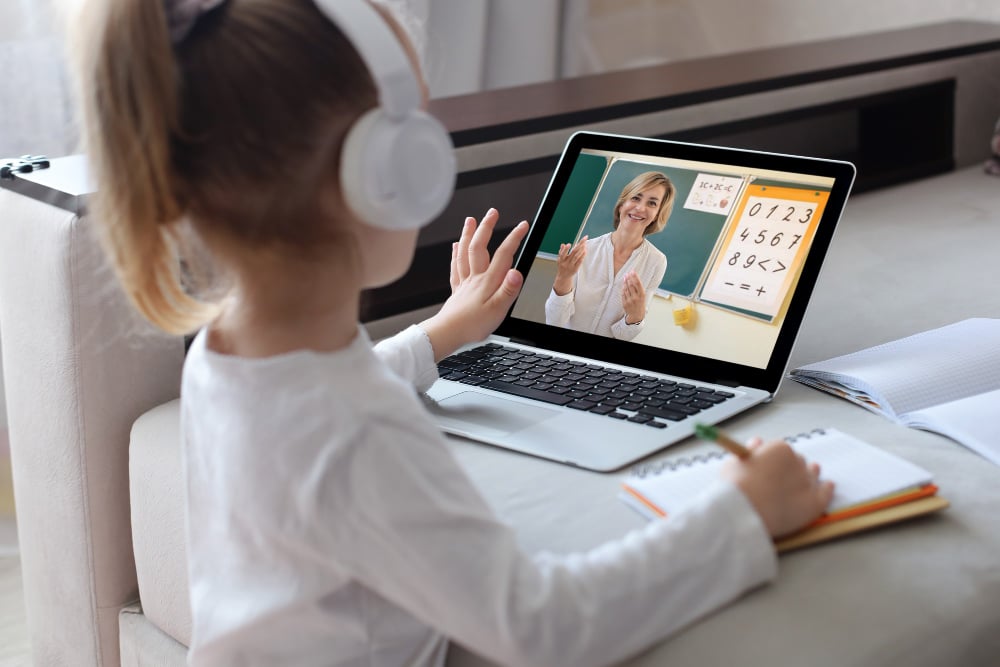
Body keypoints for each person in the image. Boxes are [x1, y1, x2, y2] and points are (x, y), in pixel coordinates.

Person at [69, 1, 834, 665]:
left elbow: (321, 402)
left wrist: (441, 333)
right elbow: (543, 626)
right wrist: (741, 511)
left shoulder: (225, 357)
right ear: (386, 171)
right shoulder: (363, 432)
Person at [545, 171, 672, 340]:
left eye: (652, 203)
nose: (641, 208)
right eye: (635, 198)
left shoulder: (656, 261)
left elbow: (623, 336)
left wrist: (635, 317)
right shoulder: (585, 250)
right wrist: (563, 278)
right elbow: (555, 322)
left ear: (657, 214)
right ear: (622, 204)